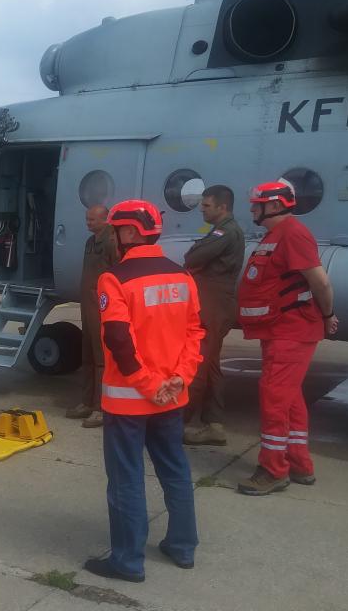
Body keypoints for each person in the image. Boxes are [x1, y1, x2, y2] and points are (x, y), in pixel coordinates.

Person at [83, 200, 204, 583]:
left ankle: (127, 561)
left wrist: (150, 386)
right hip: (172, 397)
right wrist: (179, 379)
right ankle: (183, 547)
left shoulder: (114, 279)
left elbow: (119, 341)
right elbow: (195, 333)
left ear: (130, 232)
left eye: (116, 230)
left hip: (130, 401)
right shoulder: (182, 277)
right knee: (176, 471)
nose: (113, 238)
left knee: (126, 479)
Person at [236, 181, 338, 495]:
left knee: (274, 396)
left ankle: (272, 470)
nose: (252, 209)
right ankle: (298, 464)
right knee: (289, 397)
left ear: (275, 205)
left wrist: (326, 315)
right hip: (279, 329)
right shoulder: (275, 236)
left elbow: (320, 282)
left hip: (292, 330)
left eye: (257, 204)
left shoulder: (293, 234)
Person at [182, 185, 245, 446]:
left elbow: (193, 257)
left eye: (207, 206)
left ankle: (177, 422)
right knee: (211, 364)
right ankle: (214, 424)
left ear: (222, 207)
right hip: (215, 304)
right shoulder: (224, 230)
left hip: (213, 306)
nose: (202, 210)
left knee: (197, 362)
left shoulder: (225, 231)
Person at [65, 204, 118, 428]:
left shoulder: (111, 241)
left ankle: (101, 407)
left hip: (101, 305)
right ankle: (87, 401)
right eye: (87, 219)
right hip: (88, 305)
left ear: (105, 219)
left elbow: (117, 274)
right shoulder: (90, 242)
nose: (88, 223)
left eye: (92, 220)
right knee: (87, 353)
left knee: (101, 359)